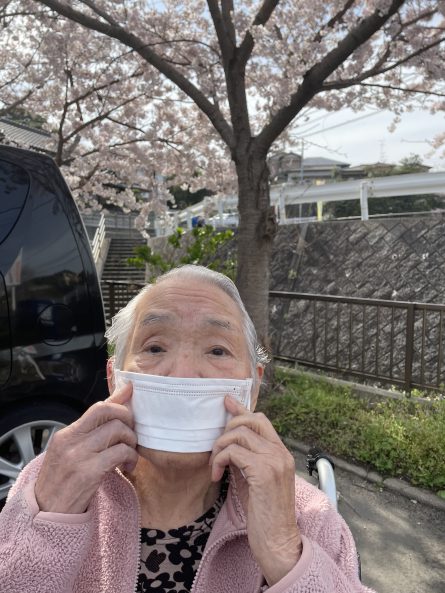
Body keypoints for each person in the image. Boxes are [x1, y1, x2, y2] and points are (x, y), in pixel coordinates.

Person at [0, 265, 375, 593]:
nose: (182, 373)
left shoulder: (304, 516)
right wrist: (46, 522)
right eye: (155, 347)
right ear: (115, 378)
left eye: (217, 351)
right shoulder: (49, 484)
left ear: (253, 386)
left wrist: (285, 554)